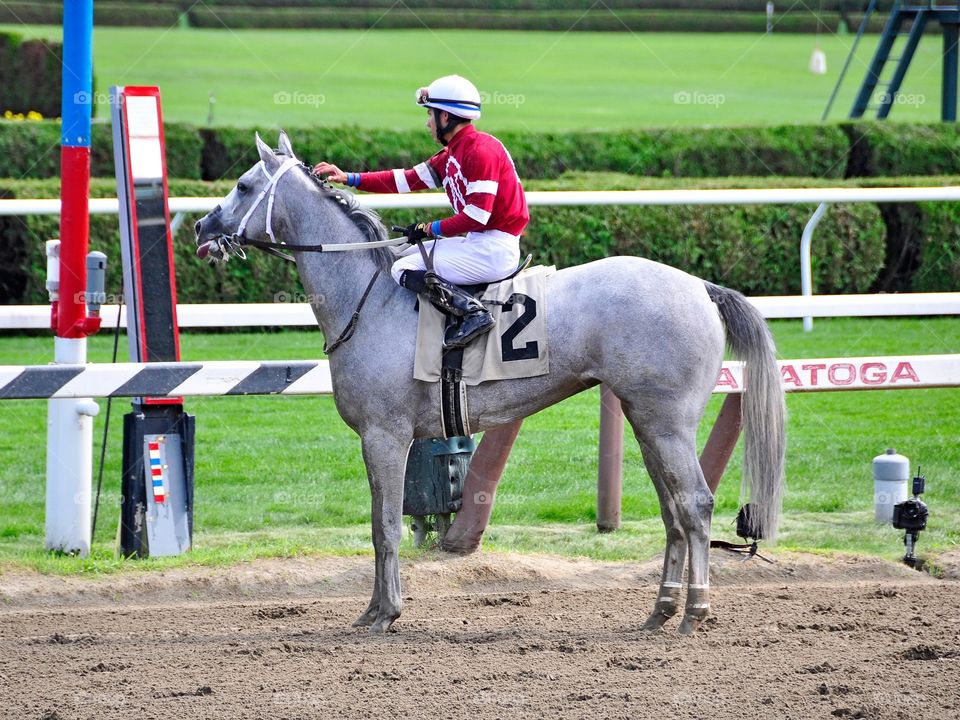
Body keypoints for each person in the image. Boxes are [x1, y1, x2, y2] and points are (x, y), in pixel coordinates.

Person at [313, 75, 529, 349]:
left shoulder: (481, 151)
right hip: (480, 243)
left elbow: (477, 215)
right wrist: (349, 178)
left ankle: (472, 313)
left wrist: (430, 229)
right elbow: (403, 180)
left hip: (494, 250)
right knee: (399, 257)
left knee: (402, 267)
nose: (427, 122)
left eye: (431, 114)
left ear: (446, 118)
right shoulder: (452, 154)